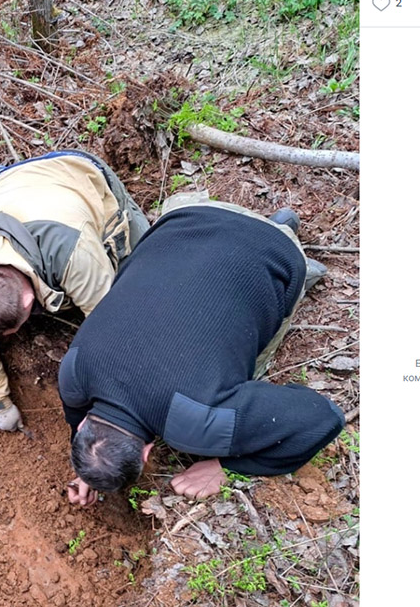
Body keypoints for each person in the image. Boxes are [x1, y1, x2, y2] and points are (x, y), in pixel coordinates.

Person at [58, 192, 343, 506]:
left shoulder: (197, 420)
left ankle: (295, 264)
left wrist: (225, 466)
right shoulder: (73, 373)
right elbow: (81, 423)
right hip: (188, 215)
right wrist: (93, 468)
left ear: (146, 452)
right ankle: (276, 227)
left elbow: (324, 419)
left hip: (275, 251)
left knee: (252, 366)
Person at [0, 150, 150, 432]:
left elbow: (113, 327)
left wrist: (112, 404)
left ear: (30, 299)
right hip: (8, 183)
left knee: (147, 267)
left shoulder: (73, 253)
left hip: (76, 172)